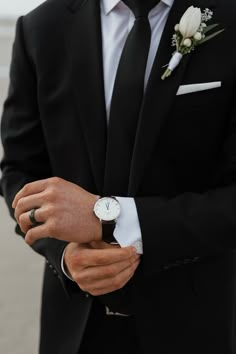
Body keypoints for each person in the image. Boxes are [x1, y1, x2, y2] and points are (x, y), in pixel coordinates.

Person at [1, 0, 236, 353]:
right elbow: (20, 171)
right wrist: (65, 255)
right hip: (74, 328)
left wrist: (111, 219)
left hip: (198, 322)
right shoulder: (40, 27)